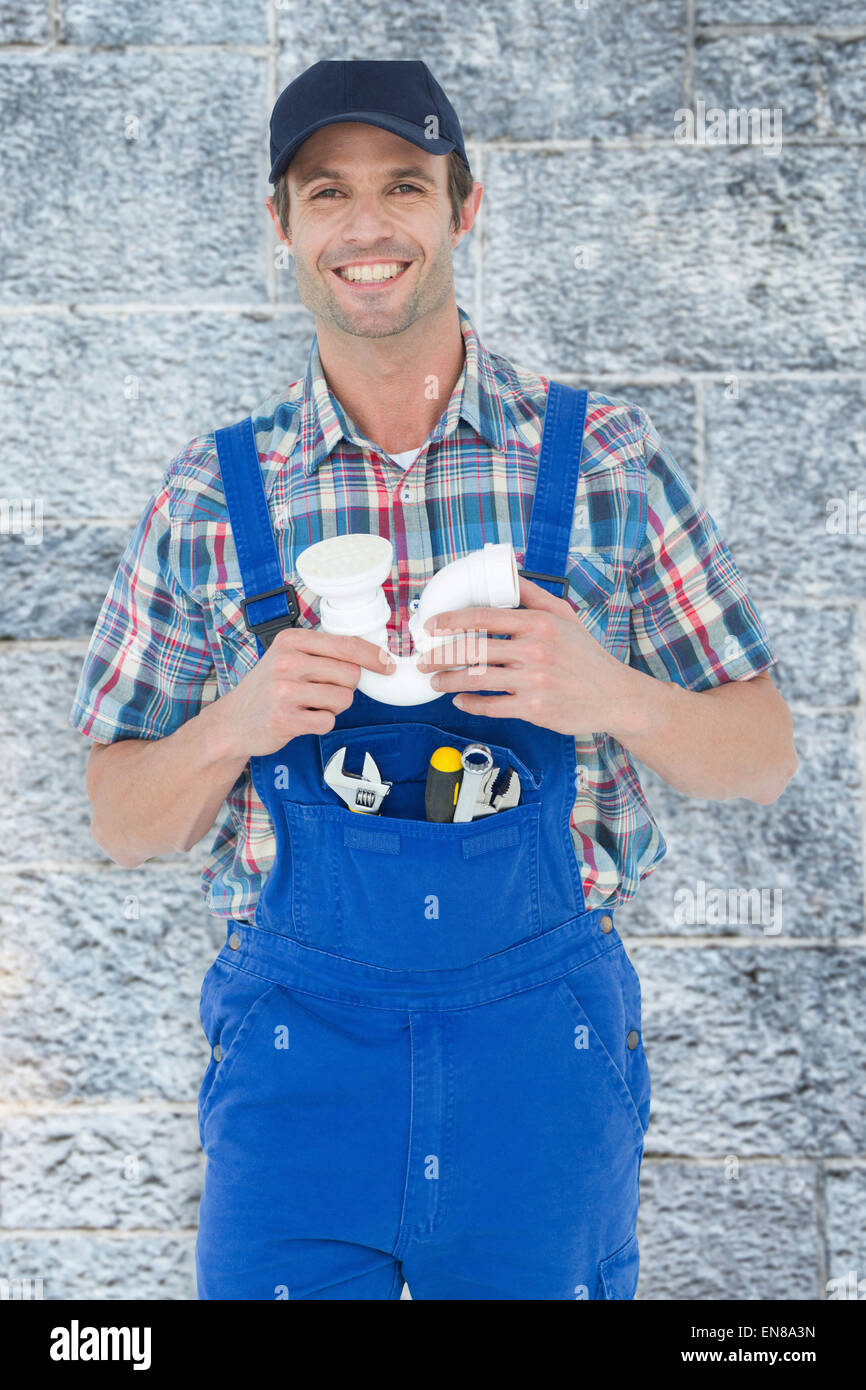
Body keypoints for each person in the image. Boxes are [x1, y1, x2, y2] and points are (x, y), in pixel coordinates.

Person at [69, 59, 797, 1301]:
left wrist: (611, 692)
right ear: (281, 225)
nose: (366, 226)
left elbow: (763, 750)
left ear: (462, 206)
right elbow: (122, 821)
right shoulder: (212, 495)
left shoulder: (603, 460)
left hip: (539, 1061)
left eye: (403, 185)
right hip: (300, 1073)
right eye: (325, 192)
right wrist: (231, 727)